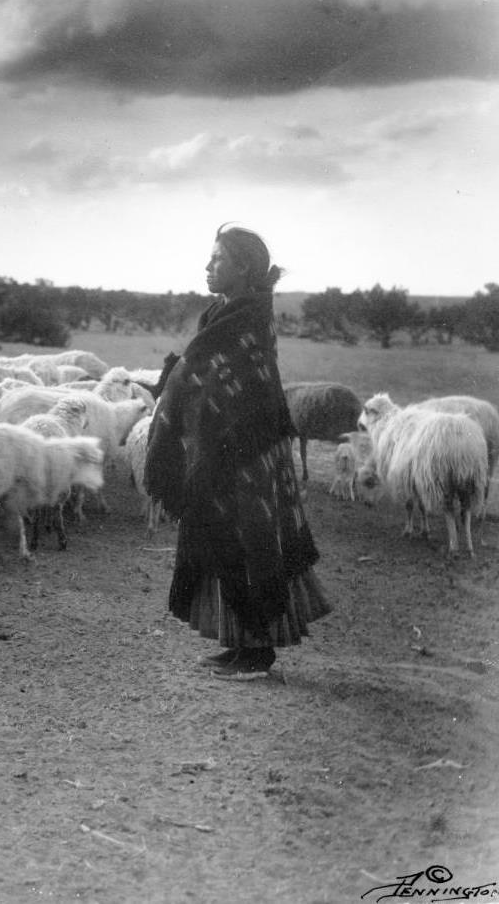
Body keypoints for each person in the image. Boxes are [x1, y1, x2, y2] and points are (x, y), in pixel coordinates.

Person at [145, 223, 331, 680]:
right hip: (221, 451)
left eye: (218, 259)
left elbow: (226, 381)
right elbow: (201, 374)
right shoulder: (220, 313)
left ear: (244, 267)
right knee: (221, 539)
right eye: (209, 259)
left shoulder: (248, 316)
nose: (208, 266)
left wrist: (180, 379)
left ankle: (259, 651)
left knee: (253, 542)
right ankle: (238, 643)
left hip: (247, 452)